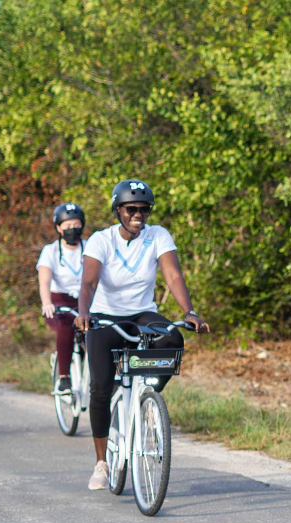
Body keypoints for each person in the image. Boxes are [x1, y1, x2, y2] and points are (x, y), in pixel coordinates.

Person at [75, 179, 210, 490]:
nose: (139, 214)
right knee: (100, 388)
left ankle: (149, 396)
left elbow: (173, 274)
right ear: (118, 210)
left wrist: (188, 311)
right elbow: (88, 284)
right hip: (105, 316)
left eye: (144, 209)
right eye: (132, 209)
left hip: (141, 314)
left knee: (173, 339)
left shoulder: (158, 235)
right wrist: (84, 312)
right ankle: (102, 463)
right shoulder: (100, 240)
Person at [37, 203, 87, 394]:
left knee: (95, 330)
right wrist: (47, 302)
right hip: (58, 302)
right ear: (58, 228)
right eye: (67, 227)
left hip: (84, 301)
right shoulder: (50, 251)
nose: (72, 230)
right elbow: (44, 281)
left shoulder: (90, 247)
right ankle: (64, 378)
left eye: (76, 226)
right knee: (66, 326)